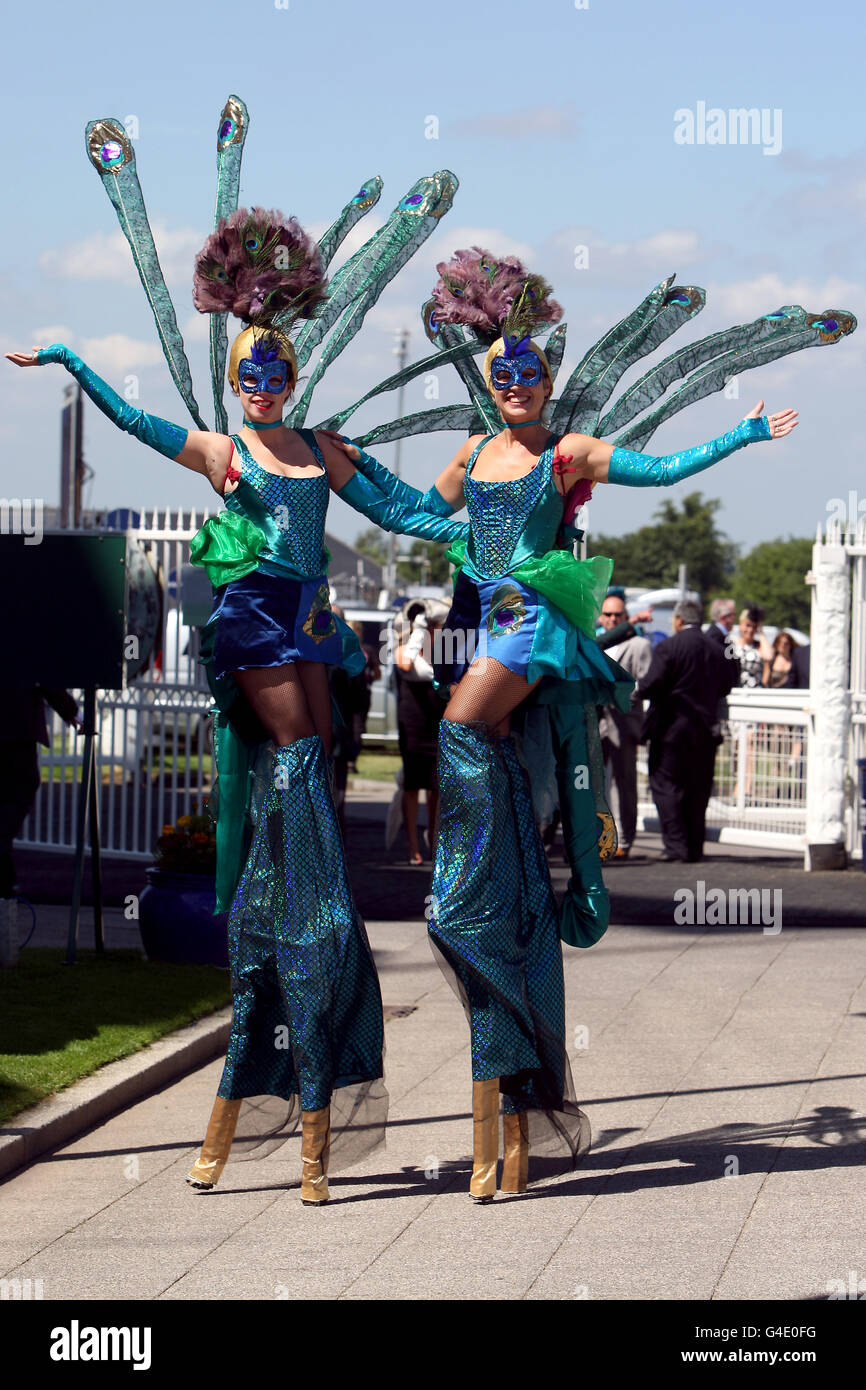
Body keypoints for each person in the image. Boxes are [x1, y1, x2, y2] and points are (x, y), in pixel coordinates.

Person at [7, 205, 469, 1205]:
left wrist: (491, 473)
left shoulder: (322, 447)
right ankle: (306, 879)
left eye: (275, 372)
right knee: (299, 755)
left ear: (293, 377)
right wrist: (71, 360)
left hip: (310, 618)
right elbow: (135, 423)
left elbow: (410, 512)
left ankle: (306, 881)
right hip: (255, 617)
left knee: (315, 750)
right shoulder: (226, 453)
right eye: (248, 372)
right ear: (234, 380)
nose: (260, 384)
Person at [329, 245, 799, 1199]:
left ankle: (473, 861)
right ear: (488, 379)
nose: (514, 385)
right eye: (500, 373)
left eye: (528, 372)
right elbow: (420, 514)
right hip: (484, 619)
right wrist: (339, 464)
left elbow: (663, 466)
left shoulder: (566, 454)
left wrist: (740, 435)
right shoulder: (471, 453)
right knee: (477, 744)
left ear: (547, 380)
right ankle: (494, 866)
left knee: (462, 724)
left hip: (533, 618)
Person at [636, 599, 739, 861]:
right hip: (705, 730)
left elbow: (650, 685)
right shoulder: (716, 650)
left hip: (670, 729)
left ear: (678, 620)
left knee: (665, 785)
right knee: (698, 789)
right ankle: (695, 848)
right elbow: (728, 684)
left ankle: (676, 847)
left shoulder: (669, 646)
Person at [0, 686, 81, 897]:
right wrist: (71, 710)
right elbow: (43, 673)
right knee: (20, 789)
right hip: (15, 727)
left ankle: (6, 880)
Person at [596, 592, 653, 859]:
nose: (612, 619)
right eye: (607, 614)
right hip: (597, 722)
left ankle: (625, 839)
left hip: (624, 720)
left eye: (617, 614)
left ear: (625, 617)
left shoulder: (639, 644)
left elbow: (645, 684)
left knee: (624, 782)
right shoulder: (595, 642)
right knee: (595, 782)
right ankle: (600, 836)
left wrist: (620, 692)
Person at [393, 604, 443, 865]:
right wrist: (417, 634)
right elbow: (404, 664)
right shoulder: (404, 649)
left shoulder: (440, 652)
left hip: (436, 721)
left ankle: (433, 840)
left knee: (436, 787)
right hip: (412, 721)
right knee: (412, 785)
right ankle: (413, 845)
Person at [732, 606, 773, 687]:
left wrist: (761, 632)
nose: (750, 630)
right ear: (740, 624)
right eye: (747, 625)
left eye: (754, 627)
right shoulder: (732, 645)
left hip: (757, 692)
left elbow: (769, 657)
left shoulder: (759, 646)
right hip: (737, 692)